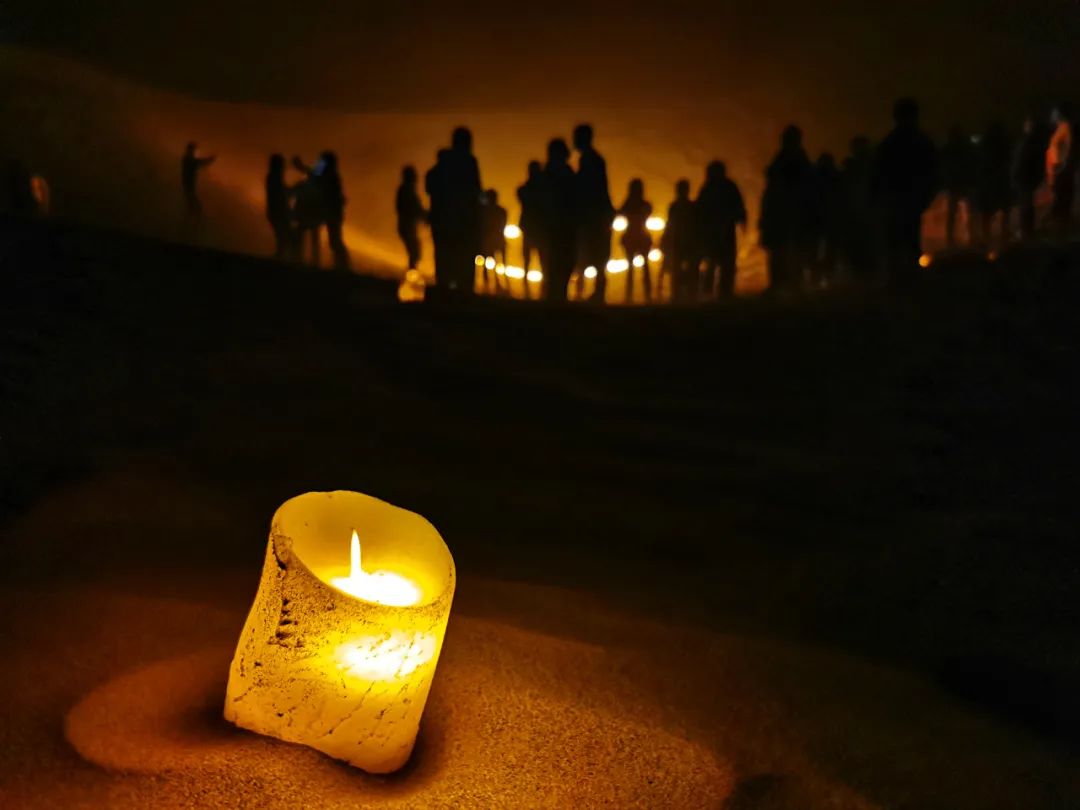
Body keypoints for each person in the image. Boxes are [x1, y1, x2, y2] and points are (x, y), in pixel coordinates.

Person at [873, 99, 939, 283]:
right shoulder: (921, 141)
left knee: (895, 241)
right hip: (910, 199)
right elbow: (933, 171)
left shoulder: (890, 142)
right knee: (909, 239)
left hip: (896, 199)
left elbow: (877, 173)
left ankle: (897, 280)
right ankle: (911, 278)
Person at [760, 125, 815, 293]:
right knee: (782, 250)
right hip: (783, 214)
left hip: (789, 213)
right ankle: (784, 283)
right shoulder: (791, 158)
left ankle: (790, 283)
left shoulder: (794, 159)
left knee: (789, 250)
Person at [428, 128, 483, 292]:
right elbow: (475, 191)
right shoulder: (469, 162)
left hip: (443, 221)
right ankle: (461, 295)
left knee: (445, 261)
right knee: (463, 262)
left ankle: (446, 293)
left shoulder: (442, 164)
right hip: (462, 222)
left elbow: (430, 187)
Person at [573, 124, 615, 302]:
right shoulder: (594, 159)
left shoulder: (589, 160)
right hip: (598, 213)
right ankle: (595, 292)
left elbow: (588, 189)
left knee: (592, 252)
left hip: (593, 215)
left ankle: (593, 293)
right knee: (597, 254)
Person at [695, 161, 747, 298]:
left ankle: (717, 290)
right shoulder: (727, 187)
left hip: (717, 231)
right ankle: (720, 290)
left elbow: (699, 210)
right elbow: (738, 206)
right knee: (721, 261)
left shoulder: (710, 188)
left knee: (719, 261)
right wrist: (741, 220)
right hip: (719, 230)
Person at [293, 151, 349, 270]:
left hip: (332, 214)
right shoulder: (330, 176)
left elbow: (314, 176)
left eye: (322, 161)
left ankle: (343, 265)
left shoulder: (330, 177)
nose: (320, 164)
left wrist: (301, 166)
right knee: (333, 240)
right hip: (331, 213)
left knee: (334, 240)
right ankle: (340, 264)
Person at [540, 138, 578, 302]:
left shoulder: (546, 174)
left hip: (553, 225)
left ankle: (554, 296)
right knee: (561, 263)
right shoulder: (565, 173)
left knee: (553, 263)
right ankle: (558, 296)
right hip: (562, 225)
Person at [972, 121, 1013, 248]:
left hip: (989, 180)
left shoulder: (985, 144)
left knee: (987, 210)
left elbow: (980, 161)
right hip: (999, 179)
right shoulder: (1004, 144)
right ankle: (1003, 234)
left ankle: (987, 236)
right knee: (1003, 208)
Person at [841, 136, 876, 279]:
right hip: (860, 218)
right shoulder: (871, 168)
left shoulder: (853, 169)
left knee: (862, 254)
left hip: (862, 218)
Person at [617, 179, 654, 302]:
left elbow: (619, 212)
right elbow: (649, 211)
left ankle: (629, 295)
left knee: (631, 268)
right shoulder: (646, 204)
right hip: (643, 236)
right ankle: (647, 295)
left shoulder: (628, 204)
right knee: (645, 267)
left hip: (630, 236)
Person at [1012, 114, 1047, 240]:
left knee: (1025, 205)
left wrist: (1015, 175)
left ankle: (1025, 231)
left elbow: (1020, 161)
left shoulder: (1027, 142)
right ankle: (1028, 229)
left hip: (1024, 178)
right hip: (1030, 178)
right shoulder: (1037, 142)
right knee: (1028, 204)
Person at [663, 179, 698, 303]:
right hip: (686, 241)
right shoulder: (691, 206)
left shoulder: (675, 206)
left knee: (678, 267)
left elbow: (670, 224)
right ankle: (688, 293)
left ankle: (678, 294)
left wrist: (665, 239)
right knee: (686, 267)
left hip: (680, 241)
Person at [941, 127, 977, 248]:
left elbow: (944, 167)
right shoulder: (966, 149)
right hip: (964, 183)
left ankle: (951, 238)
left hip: (955, 184)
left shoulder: (948, 149)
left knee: (953, 212)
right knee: (968, 211)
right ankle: (969, 236)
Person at [812, 153, 844, 287]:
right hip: (827, 220)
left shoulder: (814, 179)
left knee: (821, 251)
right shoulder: (836, 179)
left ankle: (820, 278)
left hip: (822, 220)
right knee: (827, 251)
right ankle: (825, 278)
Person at [517, 160, 545, 288]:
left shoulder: (525, 189)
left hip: (531, 227)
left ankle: (528, 287)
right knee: (540, 259)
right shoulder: (541, 191)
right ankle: (541, 287)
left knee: (529, 259)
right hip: (537, 228)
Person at [1047, 105, 1075, 231]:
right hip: (1058, 167)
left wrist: (1063, 165)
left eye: (1054, 114)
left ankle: (1061, 224)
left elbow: (1067, 148)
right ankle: (1060, 222)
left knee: (1061, 195)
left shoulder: (1065, 127)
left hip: (1061, 167)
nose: (1052, 117)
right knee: (1058, 194)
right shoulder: (1060, 128)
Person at [396, 165, 427, 271]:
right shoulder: (407, 191)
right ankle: (412, 273)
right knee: (414, 251)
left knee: (414, 251)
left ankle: (412, 272)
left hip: (406, 225)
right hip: (407, 226)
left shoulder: (405, 190)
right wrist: (425, 216)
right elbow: (414, 208)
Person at [265, 154, 295, 260]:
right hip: (278, 212)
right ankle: (283, 259)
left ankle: (281, 257)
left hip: (275, 211)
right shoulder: (275, 178)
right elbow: (282, 195)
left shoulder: (272, 177)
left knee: (282, 237)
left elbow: (282, 194)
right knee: (284, 237)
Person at [480, 188, 509, 291]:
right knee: (500, 262)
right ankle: (498, 283)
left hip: (491, 239)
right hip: (497, 239)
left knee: (488, 262)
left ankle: (490, 283)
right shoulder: (502, 211)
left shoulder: (485, 211)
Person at [181, 142, 216, 217]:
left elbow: (199, 163)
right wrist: (211, 159)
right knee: (195, 208)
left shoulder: (187, 159)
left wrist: (210, 160)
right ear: (191, 150)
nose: (195, 152)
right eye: (194, 150)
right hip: (188, 186)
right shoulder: (188, 159)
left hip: (188, 186)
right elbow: (200, 163)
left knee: (193, 207)